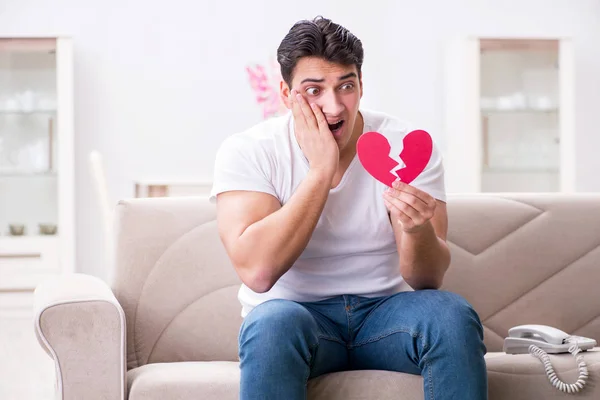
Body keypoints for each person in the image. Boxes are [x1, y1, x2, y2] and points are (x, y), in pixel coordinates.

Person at [209, 16, 487, 400]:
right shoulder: (250, 151)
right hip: (297, 319)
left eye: (346, 86)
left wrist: (416, 228)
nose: (334, 106)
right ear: (286, 94)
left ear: (361, 86)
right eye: (313, 90)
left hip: (388, 316)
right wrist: (321, 171)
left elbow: (428, 280)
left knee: (450, 314)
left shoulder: (403, 145)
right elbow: (258, 272)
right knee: (272, 322)